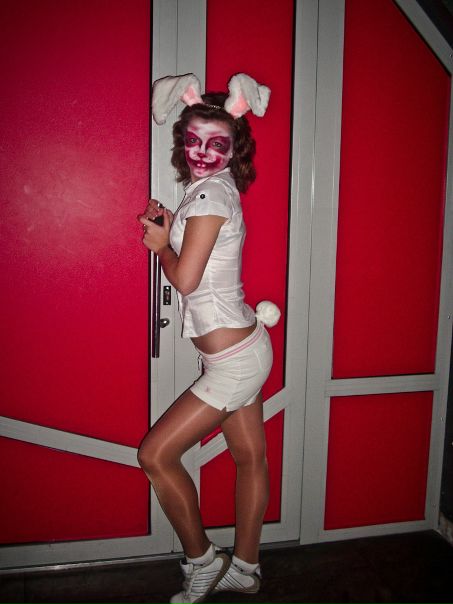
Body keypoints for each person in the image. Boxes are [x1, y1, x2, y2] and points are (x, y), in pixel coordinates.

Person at [137, 73, 278, 604]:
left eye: (216, 144)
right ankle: (246, 569)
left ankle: (203, 561)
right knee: (250, 459)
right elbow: (202, 251)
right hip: (243, 348)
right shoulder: (211, 191)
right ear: (183, 141)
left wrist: (160, 246)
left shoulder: (211, 195)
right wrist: (171, 225)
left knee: (155, 455)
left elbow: (187, 279)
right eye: (193, 140)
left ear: (233, 148)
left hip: (233, 361)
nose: (201, 152)